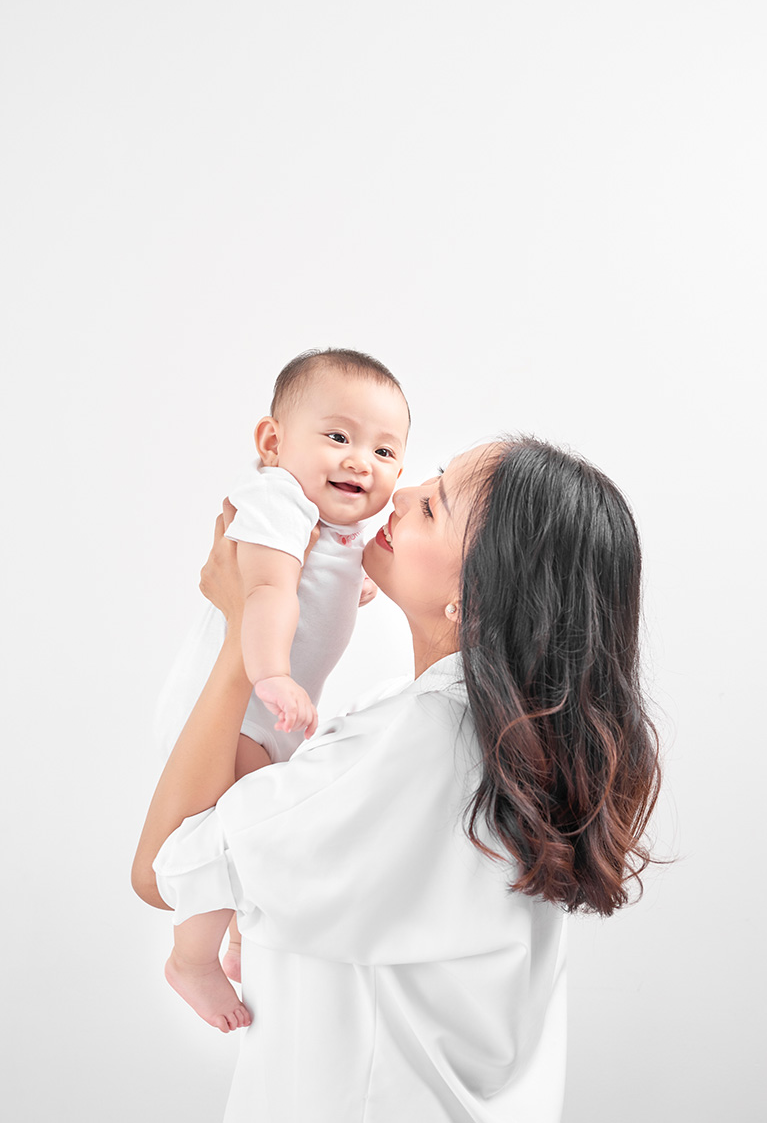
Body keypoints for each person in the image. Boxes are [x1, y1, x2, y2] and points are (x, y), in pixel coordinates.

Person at [133, 436, 661, 1123]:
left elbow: (163, 869)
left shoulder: (416, 748)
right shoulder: (507, 754)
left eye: (436, 506)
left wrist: (244, 633)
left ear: (475, 599)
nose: (403, 491)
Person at [152, 347, 410, 1018]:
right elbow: (267, 590)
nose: (362, 462)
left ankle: (241, 932)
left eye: (385, 453)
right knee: (226, 834)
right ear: (273, 442)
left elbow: (309, 584)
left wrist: (342, 589)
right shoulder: (275, 500)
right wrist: (270, 675)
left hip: (268, 715)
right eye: (338, 437)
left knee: (256, 831)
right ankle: (192, 958)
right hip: (238, 709)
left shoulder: (334, 527)